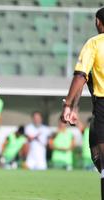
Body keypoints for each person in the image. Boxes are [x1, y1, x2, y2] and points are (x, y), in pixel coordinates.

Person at [61, 7, 104, 199]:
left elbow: (80, 75)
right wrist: (75, 105)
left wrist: (68, 105)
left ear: (97, 22)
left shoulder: (94, 43)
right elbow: (86, 79)